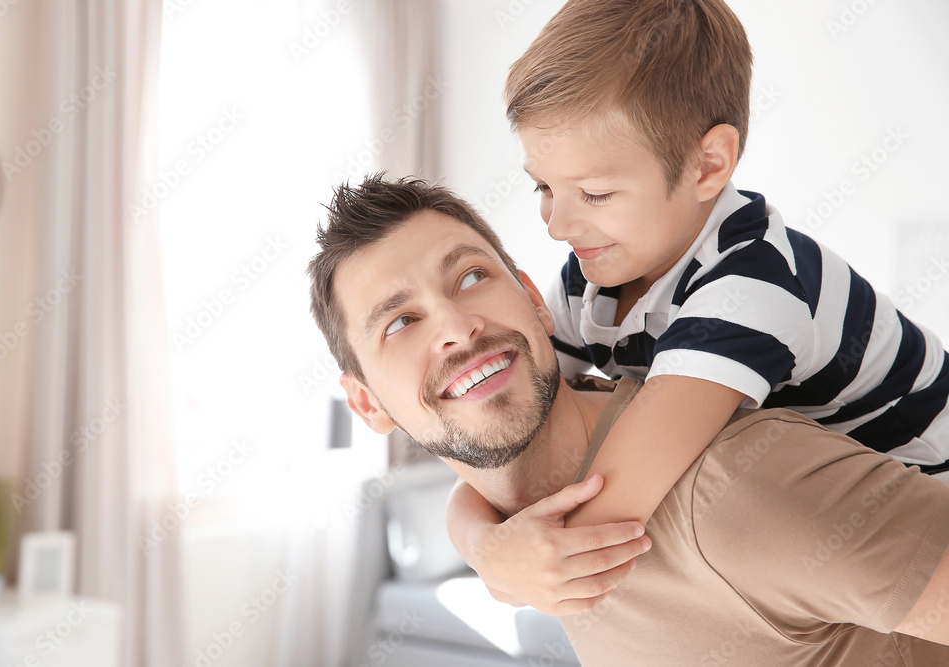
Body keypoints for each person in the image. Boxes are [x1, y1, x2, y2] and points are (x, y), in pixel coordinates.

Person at [307, 175, 949, 665]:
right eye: (400, 321)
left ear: (535, 301)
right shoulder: (533, 550)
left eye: (471, 276)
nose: (455, 326)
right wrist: (481, 549)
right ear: (366, 403)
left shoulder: (733, 490)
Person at [445, 0, 949, 613]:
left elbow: (603, 518)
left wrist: (506, 562)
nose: (557, 224)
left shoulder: (754, 281)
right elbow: (516, 445)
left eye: (596, 193)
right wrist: (482, 547)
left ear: (708, 164)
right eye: (544, 188)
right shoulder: (592, 274)